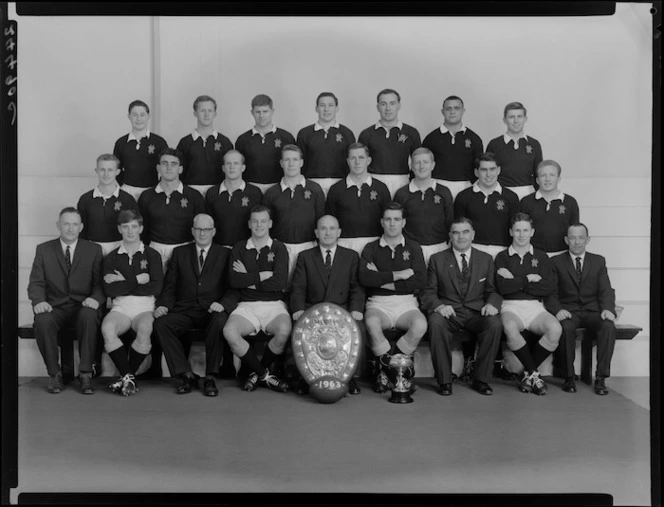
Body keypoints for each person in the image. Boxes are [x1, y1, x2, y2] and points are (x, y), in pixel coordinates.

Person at [154, 213, 238, 396]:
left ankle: (211, 377)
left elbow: (233, 288)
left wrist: (223, 304)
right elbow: (170, 285)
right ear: (192, 231)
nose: (202, 233)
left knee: (219, 321)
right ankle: (185, 374)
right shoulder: (179, 253)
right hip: (185, 310)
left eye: (206, 229)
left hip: (212, 310)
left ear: (213, 231)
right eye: (198, 229)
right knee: (161, 323)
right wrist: (163, 305)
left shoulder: (225, 254)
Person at [421, 217, 503, 396]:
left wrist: (492, 304)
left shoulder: (486, 259)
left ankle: (481, 379)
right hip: (450, 314)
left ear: (473, 234)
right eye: (456, 232)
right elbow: (428, 293)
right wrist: (439, 306)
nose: (461, 236)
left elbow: (493, 290)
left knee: (495, 324)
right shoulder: (437, 259)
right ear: (450, 236)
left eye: (465, 232)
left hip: (476, 313)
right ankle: (444, 381)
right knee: (435, 322)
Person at [27, 207, 105, 394]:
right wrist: (39, 301)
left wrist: (95, 298)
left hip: (82, 305)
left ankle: (86, 374)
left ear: (81, 227)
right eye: (66, 224)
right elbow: (36, 283)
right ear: (58, 226)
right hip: (55, 306)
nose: (70, 228)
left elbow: (100, 283)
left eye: (75, 224)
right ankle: (55, 374)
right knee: (42, 321)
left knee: (89, 316)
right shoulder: (44, 249)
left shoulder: (93, 249)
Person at [290, 215, 365, 395]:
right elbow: (298, 288)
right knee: (298, 328)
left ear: (339, 232)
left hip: (343, 311)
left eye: (332, 228)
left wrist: (355, 310)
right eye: (323, 228)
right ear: (316, 232)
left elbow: (357, 288)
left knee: (359, 328)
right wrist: (299, 309)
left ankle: (350, 377)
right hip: (312, 312)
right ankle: (303, 376)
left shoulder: (351, 256)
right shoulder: (305, 257)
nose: (328, 232)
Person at [359, 202, 427, 394]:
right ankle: (398, 374)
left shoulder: (413, 247)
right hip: (378, 303)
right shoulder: (371, 248)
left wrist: (381, 277)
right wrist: (399, 274)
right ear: (382, 222)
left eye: (396, 219)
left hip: (406, 303)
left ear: (403, 222)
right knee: (371, 322)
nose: (392, 223)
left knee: (421, 325)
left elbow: (420, 280)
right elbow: (365, 278)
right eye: (388, 219)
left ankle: (385, 369)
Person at [222, 205, 291, 393]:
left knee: (284, 331)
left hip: (274, 305)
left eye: (263, 221)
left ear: (270, 223)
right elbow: (235, 281)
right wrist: (262, 275)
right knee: (229, 332)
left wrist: (249, 277)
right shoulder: (239, 248)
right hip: (246, 305)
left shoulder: (279, 248)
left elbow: (279, 282)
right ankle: (264, 375)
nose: (259, 225)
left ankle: (256, 373)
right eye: (255, 221)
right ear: (249, 224)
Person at [494, 212, 562, 395]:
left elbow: (547, 287)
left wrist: (515, 281)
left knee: (555, 329)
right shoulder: (502, 257)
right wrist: (527, 279)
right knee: (509, 326)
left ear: (532, 232)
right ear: (511, 232)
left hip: (535, 307)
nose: (521, 235)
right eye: (517, 230)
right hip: (510, 306)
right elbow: (502, 288)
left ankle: (528, 374)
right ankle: (533, 374)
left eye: (525, 230)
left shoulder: (541, 257)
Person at [546, 223, 617, 395]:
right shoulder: (555, 261)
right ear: (566, 240)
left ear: (588, 240)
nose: (576, 242)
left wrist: (608, 309)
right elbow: (550, 293)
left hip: (593, 311)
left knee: (608, 326)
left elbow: (606, 290)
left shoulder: (598, 261)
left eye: (581, 238)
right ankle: (569, 377)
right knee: (566, 327)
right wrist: (557, 310)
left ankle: (601, 378)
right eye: (572, 238)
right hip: (569, 311)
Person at [101, 210, 164, 396]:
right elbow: (109, 291)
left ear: (141, 228)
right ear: (119, 229)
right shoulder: (111, 257)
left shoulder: (152, 255)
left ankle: (125, 377)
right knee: (107, 329)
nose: (130, 231)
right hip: (120, 306)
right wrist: (137, 279)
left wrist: (123, 282)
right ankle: (129, 377)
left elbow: (156, 288)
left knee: (145, 328)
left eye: (134, 227)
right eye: (126, 227)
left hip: (145, 307)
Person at [262, 144, 325, 281]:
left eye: (295, 160)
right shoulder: (271, 193)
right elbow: (266, 225)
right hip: (281, 248)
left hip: (309, 247)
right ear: (281, 163)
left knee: (308, 287)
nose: (291, 164)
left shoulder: (315, 189)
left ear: (301, 162)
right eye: (287, 160)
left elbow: (321, 221)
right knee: (282, 286)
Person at [138, 148, 206, 269]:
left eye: (173, 164)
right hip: (155, 251)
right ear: (158, 168)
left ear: (181, 169)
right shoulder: (146, 196)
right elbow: (142, 230)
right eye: (164, 163)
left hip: (185, 251)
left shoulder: (194, 196)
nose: (169, 168)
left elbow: (201, 228)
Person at [325, 142, 391, 255]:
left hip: (375, 246)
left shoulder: (381, 188)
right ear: (347, 161)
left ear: (368, 160)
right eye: (353, 158)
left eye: (361, 157)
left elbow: (388, 220)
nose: (357, 162)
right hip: (344, 245)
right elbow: (330, 221)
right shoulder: (336, 190)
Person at [393, 147, 454, 266]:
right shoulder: (402, 194)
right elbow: (396, 223)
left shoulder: (444, 192)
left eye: (425, 162)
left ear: (433, 165)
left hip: (439, 248)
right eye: (417, 163)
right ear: (411, 166)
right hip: (410, 250)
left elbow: (450, 221)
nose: (421, 166)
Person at [454, 152, 520, 259]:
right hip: (473, 251)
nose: (488, 174)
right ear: (476, 172)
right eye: (484, 170)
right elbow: (458, 229)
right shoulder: (463, 196)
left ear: (499, 170)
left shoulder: (511, 197)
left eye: (492, 169)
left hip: (502, 252)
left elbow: (515, 229)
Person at [358, 88, 421, 197]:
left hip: (403, 183)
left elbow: (419, 161)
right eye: (383, 104)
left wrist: (411, 180)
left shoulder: (411, 132)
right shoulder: (366, 134)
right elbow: (360, 162)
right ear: (378, 107)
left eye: (392, 103)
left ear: (399, 106)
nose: (388, 108)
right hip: (373, 183)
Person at [422, 96, 484, 199]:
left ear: (463, 111)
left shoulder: (474, 139)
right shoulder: (431, 139)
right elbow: (424, 165)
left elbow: (479, 167)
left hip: (466, 188)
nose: (452, 111)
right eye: (448, 108)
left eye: (456, 108)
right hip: (437, 189)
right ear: (442, 112)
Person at [296, 92, 356, 196]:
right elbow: (299, 163)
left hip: (341, 183)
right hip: (312, 184)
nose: (326, 109)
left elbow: (353, 161)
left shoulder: (347, 133)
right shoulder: (304, 134)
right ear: (316, 108)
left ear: (337, 108)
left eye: (330, 105)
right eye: (322, 105)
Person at [77, 154, 138, 256]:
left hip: (120, 249)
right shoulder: (85, 199)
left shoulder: (127, 199)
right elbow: (81, 230)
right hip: (92, 249)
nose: (106, 174)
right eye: (102, 169)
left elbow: (134, 229)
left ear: (117, 172)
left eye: (110, 170)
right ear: (96, 171)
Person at [235, 94, 296, 193]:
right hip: (251, 189)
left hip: (279, 189)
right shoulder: (243, 140)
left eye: (265, 111)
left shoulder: (286, 137)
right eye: (258, 112)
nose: (261, 116)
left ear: (272, 111)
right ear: (252, 112)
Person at [518, 160, 580, 257]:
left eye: (552, 175)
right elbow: (520, 230)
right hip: (533, 256)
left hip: (563, 256)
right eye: (543, 175)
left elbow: (575, 233)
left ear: (558, 179)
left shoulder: (570, 202)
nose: (547, 179)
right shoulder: (526, 202)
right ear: (537, 180)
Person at [175, 95, 233, 196]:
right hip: (190, 191)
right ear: (195, 113)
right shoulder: (185, 142)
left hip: (218, 192)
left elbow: (231, 169)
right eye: (202, 111)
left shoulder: (225, 142)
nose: (206, 115)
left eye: (210, 111)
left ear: (215, 114)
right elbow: (179, 171)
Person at [205, 149, 264, 248]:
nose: (232, 167)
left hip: (246, 250)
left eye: (236, 163)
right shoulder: (212, 193)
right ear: (223, 168)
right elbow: (207, 225)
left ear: (243, 167)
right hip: (218, 249)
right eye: (228, 163)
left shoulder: (255, 193)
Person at [113, 100, 169, 202]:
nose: (138, 118)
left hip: (152, 190)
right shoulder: (121, 143)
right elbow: (116, 168)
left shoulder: (159, 142)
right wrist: (124, 186)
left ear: (148, 116)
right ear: (129, 117)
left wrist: (159, 187)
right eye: (134, 115)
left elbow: (166, 166)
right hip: (127, 191)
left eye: (142, 115)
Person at [486, 102, 543, 200]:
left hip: (528, 194)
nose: (516, 121)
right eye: (511, 117)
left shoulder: (534, 144)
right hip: (501, 194)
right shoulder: (494, 144)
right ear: (505, 120)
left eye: (519, 116)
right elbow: (487, 171)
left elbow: (539, 173)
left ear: (525, 119)